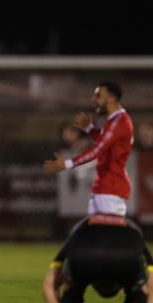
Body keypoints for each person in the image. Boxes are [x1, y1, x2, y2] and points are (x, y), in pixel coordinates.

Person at [44, 82, 133, 216]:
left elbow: (98, 149)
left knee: (109, 235)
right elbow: (105, 142)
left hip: (111, 190)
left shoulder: (119, 122)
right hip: (103, 188)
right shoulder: (113, 121)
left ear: (111, 98)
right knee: (95, 235)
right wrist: (90, 129)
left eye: (98, 95)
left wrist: (67, 164)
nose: (93, 99)